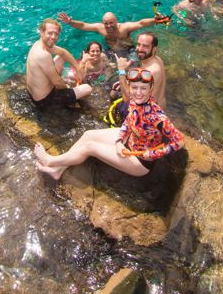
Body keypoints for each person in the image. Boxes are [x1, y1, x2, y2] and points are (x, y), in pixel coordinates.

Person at [33, 67, 184, 180]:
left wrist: (153, 153)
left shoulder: (156, 115)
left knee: (89, 147)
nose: (138, 92)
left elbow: (179, 141)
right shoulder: (134, 101)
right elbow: (128, 122)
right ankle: (58, 170)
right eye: (135, 88)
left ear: (151, 89)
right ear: (130, 88)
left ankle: (51, 161)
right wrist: (118, 141)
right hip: (128, 141)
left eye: (143, 88)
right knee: (88, 135)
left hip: (139, 161)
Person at [25, 18, 92, 109]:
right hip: (44, 101)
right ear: (41, 32)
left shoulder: (39, 44)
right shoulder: (43, 55)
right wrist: (68, 89)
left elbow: (63, 53)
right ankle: (66, 105)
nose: (53, 37)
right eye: (50, 33)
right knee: (87, 88)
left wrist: (77, 69)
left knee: (61, 57)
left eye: (56, 34)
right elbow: (57, 82)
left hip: (34, 93)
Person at [57, 10, 159, 57]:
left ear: (116, 21)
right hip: (110, 50)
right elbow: (83, 25)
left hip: (128, 49)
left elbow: (141, 23)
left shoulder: (124, 28)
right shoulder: (100, 28)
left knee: (134, 63)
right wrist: (70, 22)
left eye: (111, 23)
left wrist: (156, 20)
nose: (109, 26)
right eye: (106, 23)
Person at [113, 31, 167, 107]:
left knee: (112, 94)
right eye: (138, 44)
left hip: (146, 114)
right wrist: (127, 82)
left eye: (145, 46)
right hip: (159, 108)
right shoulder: (157, 59)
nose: (140, 49)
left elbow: (127, 99)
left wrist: (121, 70)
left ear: (154, 49)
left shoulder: (150, 71)